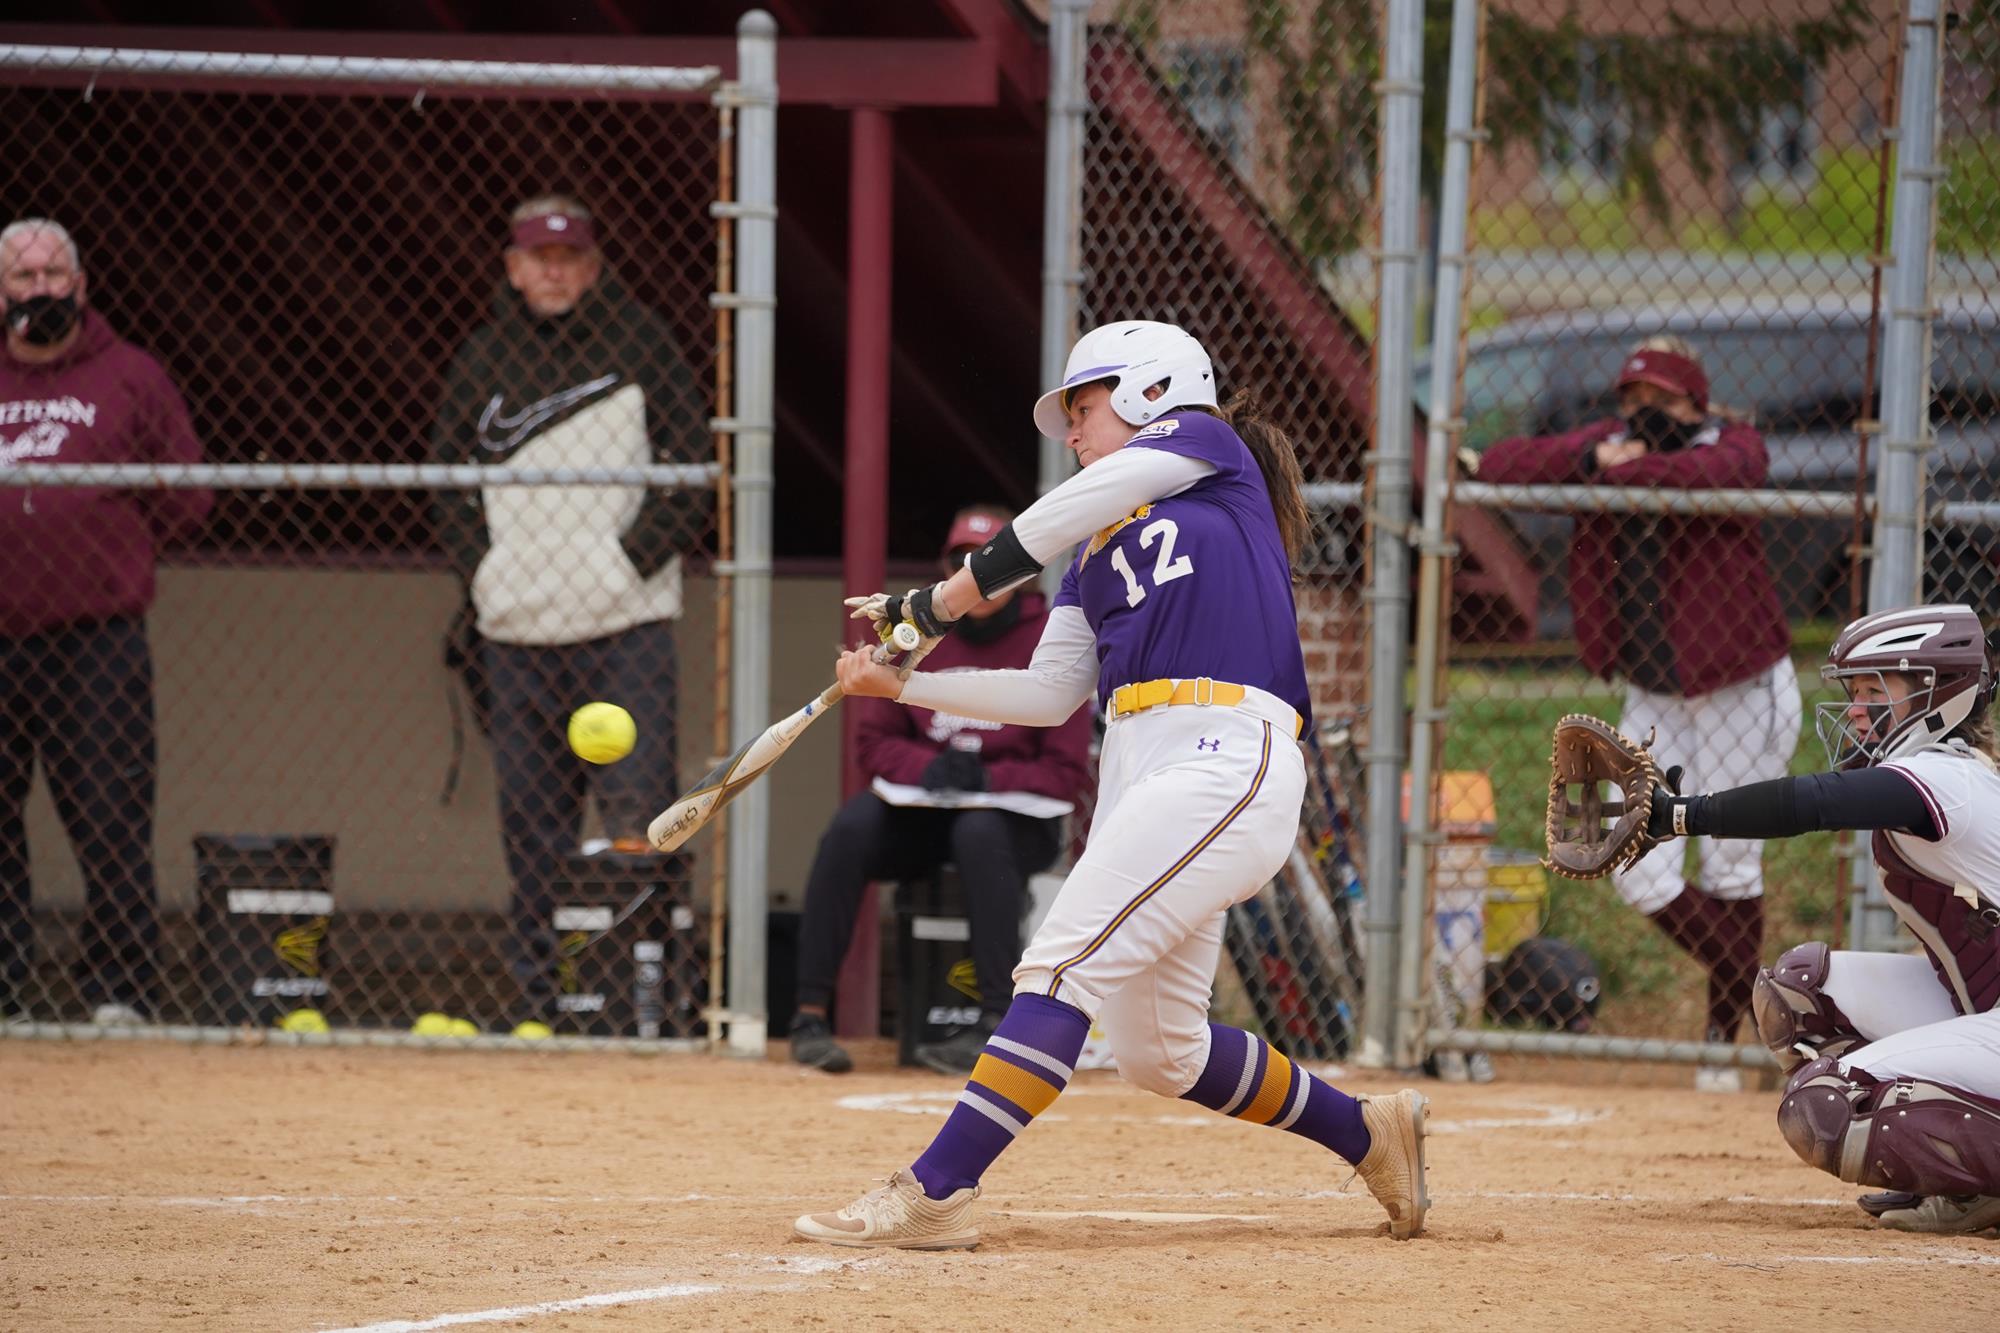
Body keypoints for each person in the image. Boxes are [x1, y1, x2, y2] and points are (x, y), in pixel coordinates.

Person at [792, 320, 1429, 1249]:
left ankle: (936, 1187)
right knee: (1162, 1051)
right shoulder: (1096, 554)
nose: (1075, 434)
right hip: (1144, 770)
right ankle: (1366, 1131)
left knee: (1058, 965)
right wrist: (903, 680)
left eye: (1085, 410)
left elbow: (1072, 501)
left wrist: (939, 601)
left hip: (1225, 753)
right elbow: (1050, 695)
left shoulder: (1210, 448)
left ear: (1149, 391)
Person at [1478, 337, 1800, 1082]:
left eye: (1658, 400)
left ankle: (1718, 1050)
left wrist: (1636, 469)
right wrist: (1594, 464)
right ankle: (1772, 1003)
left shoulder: (1731, 441)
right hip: (1655, 689)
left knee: (1729, 865)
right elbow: (1501, 466)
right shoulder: (1606, 445)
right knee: (1620, 854)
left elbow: (1725, 472)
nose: (1640, 414)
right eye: (1630, 400)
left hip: (1737, 686)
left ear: (1694, 402)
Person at [430, 195, 707, 1037]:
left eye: (569, 256)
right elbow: (448, 486)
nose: (553, 270)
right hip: (516, 635)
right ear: (512, 268)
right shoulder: (481, 360)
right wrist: (489, 577)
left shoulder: (641, 345)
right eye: (537, 257)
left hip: (626, 629)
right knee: (532, 831)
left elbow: (690, 462)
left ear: (593, 265)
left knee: (639, 821)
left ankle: (638, 1004)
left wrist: (624, 563)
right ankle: (539, 1004)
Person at [1643, 603, 2000, 1235]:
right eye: (1854, 691)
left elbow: (1814, 803)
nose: (1856, 708)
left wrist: (1682, 815)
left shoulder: (1944, 778)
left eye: (1873, 689)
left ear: (1934, 694)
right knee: (1800, 990)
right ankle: (1967, 1183)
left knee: (1827, 1106)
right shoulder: (1948, 772)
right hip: (1985, 1011)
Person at [788, 506, 1093, 1076]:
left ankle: (996, 1025)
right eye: (962, 562)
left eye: (989, 562)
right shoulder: (917, 629)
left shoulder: (1053, 633)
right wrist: (930, 767)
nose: (977, 575)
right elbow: (874, 743)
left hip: (1015, 823)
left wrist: (987, 779)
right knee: (851, 830)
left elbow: (1064, 770)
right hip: (927, 809)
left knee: (980, 832)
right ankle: (808, 1015)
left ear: (1018, 570)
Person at [0, 217, 211, 1025]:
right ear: (4, 291)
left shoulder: (129, 376)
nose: (41, 289)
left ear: (82, 285)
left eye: (55, 273)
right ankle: (7, 996)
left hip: (96, 640)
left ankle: (118, 994)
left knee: (111, 817)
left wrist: (105, 550)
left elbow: (189, 496)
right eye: (24, 278)